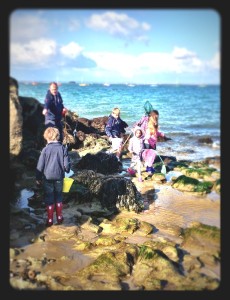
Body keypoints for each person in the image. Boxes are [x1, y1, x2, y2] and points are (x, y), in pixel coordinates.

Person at [36, 127, 71, 226]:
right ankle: (59, 217)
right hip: (59, 177)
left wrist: (38, 178)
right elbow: (67, 165)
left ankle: (50, 220)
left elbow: (40, 165)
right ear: (58, 137)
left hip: (47, 178)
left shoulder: (45, 150)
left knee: (49, 197)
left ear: (47, 138)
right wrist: (67, 169)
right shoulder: (63, 148)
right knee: (59, 195)